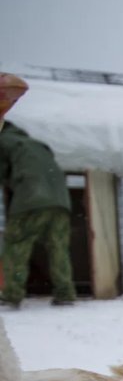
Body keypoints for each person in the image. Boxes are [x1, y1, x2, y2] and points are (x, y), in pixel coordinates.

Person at [0, 72, 77, 308]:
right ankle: (65, 293)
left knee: (18, 245)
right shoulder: (34, 143)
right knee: (58, 248)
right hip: (61, 201)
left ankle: (11, 295)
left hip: (31, 199)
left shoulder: (5, 141)